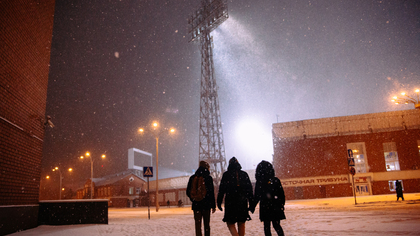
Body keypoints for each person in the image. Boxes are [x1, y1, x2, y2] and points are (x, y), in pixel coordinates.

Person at [217, 157, 253, 236]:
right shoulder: (244, 174)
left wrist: (219, 202)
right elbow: (249, 190)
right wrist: (251, 203)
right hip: (242, 202)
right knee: (241, 223)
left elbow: (221, 190)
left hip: (230, 202)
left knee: (230, 223)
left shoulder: (226, 175)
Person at [250, 160, 286, 236]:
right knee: (277, 225)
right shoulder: (276, 180)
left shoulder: (259, 182)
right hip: (276, 206)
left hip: (265, 207)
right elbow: (281, 194)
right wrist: (281, 204)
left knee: (267, 227)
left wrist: (252, 207)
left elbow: (256, 196)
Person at [187, 161, 216, 236]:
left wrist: (193, 199)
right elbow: (211, 193)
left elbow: (188, 191)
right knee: (206, 224)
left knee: (198, 225)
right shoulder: (208, 178)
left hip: (196, 205)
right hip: (206, 206)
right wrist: (213, 205)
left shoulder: (192, 178)